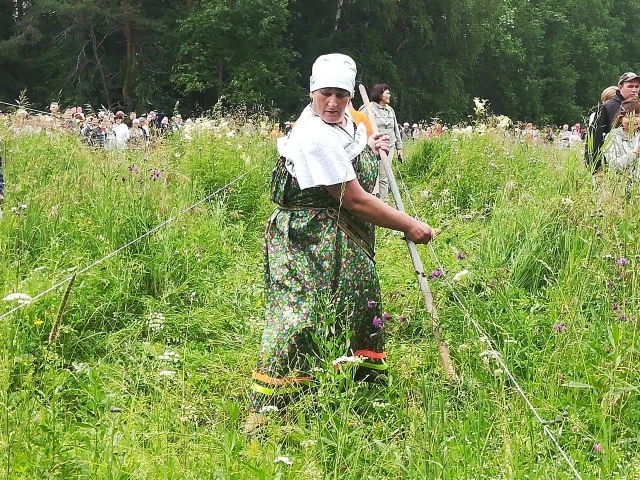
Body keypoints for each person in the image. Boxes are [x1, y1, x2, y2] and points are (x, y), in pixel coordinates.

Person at [246, 53, 436, 430]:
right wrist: (408, 224)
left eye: (341, 95)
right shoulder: (312, 135)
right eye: (324, 94)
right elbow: (354, 199)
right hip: (304, 239)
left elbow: (354, 137)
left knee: (354, 302)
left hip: (343, 240)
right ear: (312, 92)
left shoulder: (347, 121)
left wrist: (371, 142)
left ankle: (349, 380)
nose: (332, 104)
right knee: (298, 314)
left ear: (351, 96)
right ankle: (270, 409)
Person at [586, 73, 640, 172]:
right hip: (612, 166)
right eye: (630, 86)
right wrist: (595, 169)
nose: (634, 90)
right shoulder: (607, 107)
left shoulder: (637, 106)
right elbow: (595, 139)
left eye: (637, 86)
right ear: (620, 87)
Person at [359, 83, 403, 201]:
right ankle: (370, 201)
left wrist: (400, 147)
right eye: (387, 93)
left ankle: (384, 202)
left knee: (385, 176)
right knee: (372, 175)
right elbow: (359, 124)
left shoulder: (390, 110)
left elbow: (396, 130)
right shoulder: (368, 107)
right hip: (373, 146)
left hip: (389, 146)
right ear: (379, 94)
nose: (389, 95)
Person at [604, 99, 640, 177]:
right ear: (620, 118)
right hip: (621, 184)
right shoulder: (612, 137)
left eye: (637, 116)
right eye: (628, 116)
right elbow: (613, 165)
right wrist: (634, 154)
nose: (633, 120)